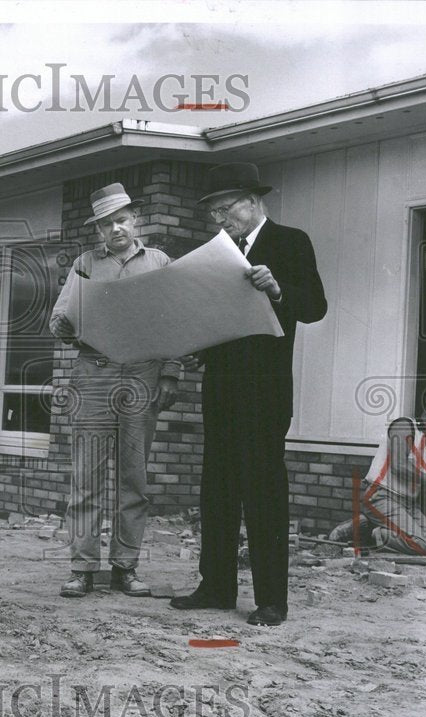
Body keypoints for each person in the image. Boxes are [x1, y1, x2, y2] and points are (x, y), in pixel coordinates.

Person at [170, 162, 327, 626]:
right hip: (220, 386)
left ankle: (271, 599)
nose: (221, 219)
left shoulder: (290, 241)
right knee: (216, 488)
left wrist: (278, 289)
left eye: (227, 208)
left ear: (253, 202)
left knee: (262, 490)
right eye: (214, 212)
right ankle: (216, 587)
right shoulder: (215, 254)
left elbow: (315, 306)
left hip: (265, 389)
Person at [50, 183, 181, 598]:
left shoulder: (159, 262)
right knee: (86, 477)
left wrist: (170, 374)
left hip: (142, 374)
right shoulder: (85, 264)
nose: (116, 228)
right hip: (95, 373)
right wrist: (69, 322)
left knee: (133, 477)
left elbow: (177, 322)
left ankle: (126, 566)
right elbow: (58, 320)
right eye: (107, 223)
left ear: (134, 219)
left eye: (121, 219)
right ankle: (82, 568)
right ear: (98, 230)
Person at [327, 397, 426, 555]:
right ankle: (370, 533)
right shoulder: (404, 426)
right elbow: (399, 465)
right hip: (380, 497)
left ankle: (375, 526)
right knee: (421, 544)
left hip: (409, 505)